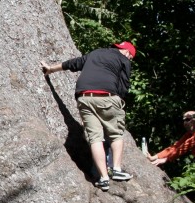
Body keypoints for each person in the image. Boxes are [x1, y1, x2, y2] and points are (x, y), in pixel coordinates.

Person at [41, 41, 136, 192]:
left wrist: (51, 69)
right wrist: (120, 101)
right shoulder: (124, 59)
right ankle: (116, 169)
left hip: (84, 97)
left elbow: (73, 63)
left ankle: (103, 178)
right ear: (127, 53)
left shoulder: (96, 53)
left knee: (95, 138)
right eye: (131, 57)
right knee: (116, 134)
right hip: (107, 96)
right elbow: (123, 85)